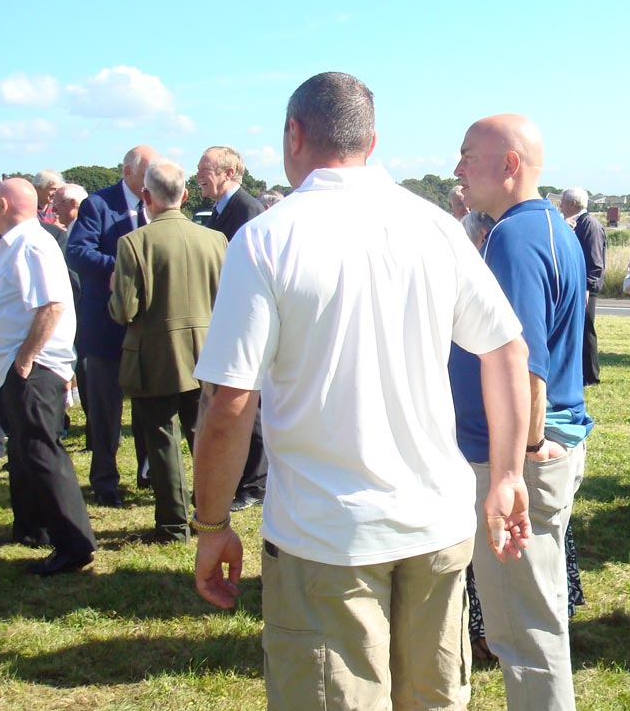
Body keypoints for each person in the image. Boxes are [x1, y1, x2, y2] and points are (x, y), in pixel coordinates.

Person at [191, 72, 531, 711]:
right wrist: (508, 473)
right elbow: (507, 348)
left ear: (294, 135)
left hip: (325, 536)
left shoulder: (266, 238)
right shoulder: (435, 227)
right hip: (434, 524)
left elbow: (230, 403)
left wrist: (212, 523)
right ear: (371, 142)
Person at [450, 113, 593, 711]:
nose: (457, 168)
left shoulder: (514, 237)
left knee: (524, 631)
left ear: (509, 166)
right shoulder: (552, 227)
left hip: (516, 459)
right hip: (537, 449)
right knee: (535, 618)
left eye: (466, 155)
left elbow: (522, 362)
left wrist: (526, 453)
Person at [108, 158, 228, 543]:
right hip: (206, 354)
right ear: (186, 195)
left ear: (146, 196)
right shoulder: (214, 240)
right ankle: (212, 513)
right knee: (204, 437)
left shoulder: (133, 243)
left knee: (162, 441)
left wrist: (114, 294)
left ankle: (173, 525)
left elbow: (124, 310)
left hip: (154, 358)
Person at [0, 178, 97, 575]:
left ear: (3, 205)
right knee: (27, 450)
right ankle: (36, 529)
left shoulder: (32, 243)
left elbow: (52, 304)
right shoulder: (17, 244)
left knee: (41, 451)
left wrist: (25, 358)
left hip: (32, 370)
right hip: (17, 368)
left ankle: (74, 544)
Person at [66, 145, 157, 505]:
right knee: (105, 412)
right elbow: (77, 252)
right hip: (105, 327)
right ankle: (105, 481)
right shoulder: (98, 205)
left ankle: (148, 472)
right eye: (148, 172)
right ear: (128, 171)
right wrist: (121, 267)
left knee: (148, 407)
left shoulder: (157, 205)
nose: (152, 180)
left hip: (145, 326)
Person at [195, 145, 267, 511]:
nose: (198, 177)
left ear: (227, 172)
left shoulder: (247, 210)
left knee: (248, 400)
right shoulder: (221, 211)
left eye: (204, 169)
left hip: (246, 316)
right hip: (227, 313)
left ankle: (256, 482)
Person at [561, 186, 607, 386]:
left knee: (586, 329)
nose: (560, 207)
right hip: (578, 286)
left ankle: (590, 376)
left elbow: (595, 261)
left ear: (572, 204)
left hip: (586, 288)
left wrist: (588, 287)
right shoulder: (574, 224)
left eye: (562, 202)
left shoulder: (590, 225)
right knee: (577, 328)